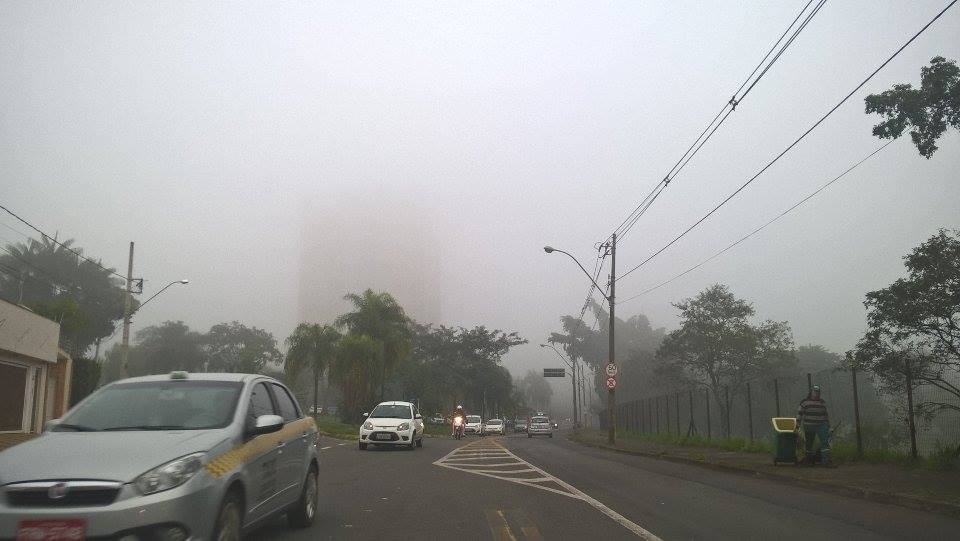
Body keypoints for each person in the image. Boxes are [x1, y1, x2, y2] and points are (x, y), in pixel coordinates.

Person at [797, 385, 833, 466]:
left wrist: (829, 426)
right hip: (809, 425)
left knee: (825, 442)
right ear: (811, 392)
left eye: (817, 392)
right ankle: (808, 460)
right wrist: (798, 424)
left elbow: (826, 415)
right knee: (808, 443)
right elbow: (799, 413)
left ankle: (826, 461)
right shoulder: (804, 402)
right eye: (814, 391)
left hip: (822, 425)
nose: (816, 393)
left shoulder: (822, 402)